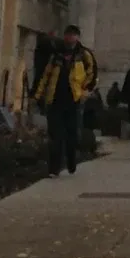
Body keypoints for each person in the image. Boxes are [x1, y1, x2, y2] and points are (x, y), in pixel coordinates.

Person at [32, 24, 98, 175]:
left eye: (73, 35)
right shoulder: (56, 55)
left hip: (74, 100)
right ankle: (54, 168)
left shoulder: (84, 54)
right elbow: (45, 76)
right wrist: (37, 95)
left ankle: (71, 158)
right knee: (55, 135)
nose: (70, 38)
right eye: (68, 35)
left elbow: (92, 73)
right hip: (55, 100)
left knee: (72, 134)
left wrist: (85, 91)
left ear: (77, 37)